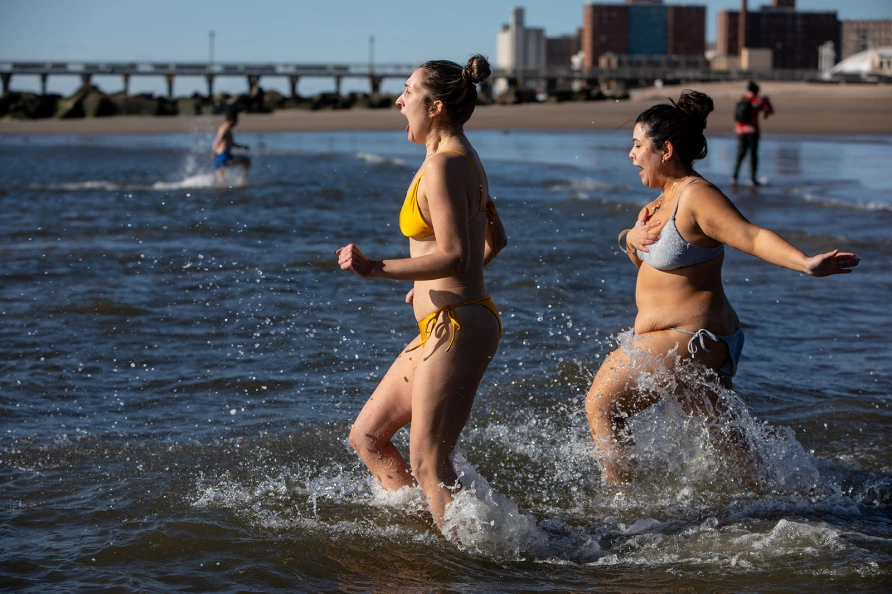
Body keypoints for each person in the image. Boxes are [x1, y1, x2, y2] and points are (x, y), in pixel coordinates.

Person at [585, 90, 859, 487]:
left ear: (666, 150)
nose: (631, 154)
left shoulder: (696, 196)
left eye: (638, 145)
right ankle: (779, 500)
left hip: (690, 338)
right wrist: (630, 237)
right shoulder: (656, 205)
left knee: (601, 406)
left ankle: (622, 504)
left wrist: (805, 263)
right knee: (731, 450)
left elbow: (751, 235)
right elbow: (645, 262)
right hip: (695, 341)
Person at [335, 54, 507, 532]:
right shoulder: (459, 158)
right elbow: (496, 239)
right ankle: (428, 535)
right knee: (368, 437)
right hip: (446, 321)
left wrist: (376, 268)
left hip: (458, 325)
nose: (399, 101)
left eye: (408, 92)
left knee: (429, 462)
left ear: (435, 107)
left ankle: (472, 560)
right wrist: (427, 286)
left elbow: (455, 255)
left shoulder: (445, 167)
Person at [731, 80, 773, 187]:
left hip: (740, 130)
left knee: (740, 154)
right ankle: (753, 179)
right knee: (753, 155)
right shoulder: (758, 101)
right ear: (756, 91)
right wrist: (767, 102)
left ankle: (734, 178)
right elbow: (768, 112)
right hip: (753, 131)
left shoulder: (741, 99)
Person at [211, 108, 251, 185]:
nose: (237, 122)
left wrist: (242, 147)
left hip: (219, 158)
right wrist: (213, 152)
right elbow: (218, 140)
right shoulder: (225, 128)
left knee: (222, 183)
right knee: (246, 160)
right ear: (232, 119)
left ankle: (224, 192)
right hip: (224, 156)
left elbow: (230, 144)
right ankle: (242, 181)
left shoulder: (224, 127)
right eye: (237, 120)